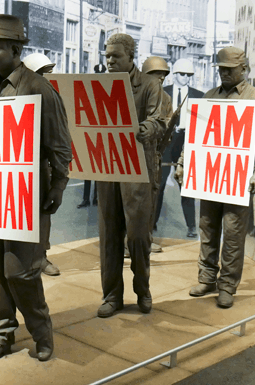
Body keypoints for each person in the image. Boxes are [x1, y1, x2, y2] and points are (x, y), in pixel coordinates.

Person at [0, 14, 72, 364]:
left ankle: (41, 332)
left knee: (21, 270)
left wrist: (59, 185)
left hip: (27, 197)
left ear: (15, 49)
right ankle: (0, 334)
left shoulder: (39, 88)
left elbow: (60, 144)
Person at [175, 46, 255, 309]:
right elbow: (195, 135)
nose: (224, 73)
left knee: (234, 232)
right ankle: (206, 277)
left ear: (243, 69)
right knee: (207, 227)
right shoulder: (210, 95)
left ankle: (227, 284)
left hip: (238, 174)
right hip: (210, 173)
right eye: (221, 69)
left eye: (229, 69)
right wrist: (183, 162)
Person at [97, 34, 166, 318]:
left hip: (138, 169)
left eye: (115, 56)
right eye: (107, 56)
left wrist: (145, 129)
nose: (110, 61)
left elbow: (158, 119)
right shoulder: (98, 85)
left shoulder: (149, 85)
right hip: (106, 168)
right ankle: (111, 295)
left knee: (138, 235)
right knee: (109, 236)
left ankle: (142, 289)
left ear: (130, 57)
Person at [22, 52, 63, 277]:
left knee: (43, 213)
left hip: (40, 162)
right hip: (19, 162)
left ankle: (41, 256)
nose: (46, 77)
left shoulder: (48, 94)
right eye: (42, 73)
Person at [154, 58, 203, 238]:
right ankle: (153, 223)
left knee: (186, 184)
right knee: (159, 184)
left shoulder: (199, 95)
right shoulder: (162, 92)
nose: (186, 78)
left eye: (189, 75)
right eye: (182, 74)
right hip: (167, 139)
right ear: (175, 75)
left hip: (186, 140)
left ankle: (191, 226)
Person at [141, 56, 173, 254]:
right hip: (135, 152)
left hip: (154, 152)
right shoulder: (137, 94)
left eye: (163, 76)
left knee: (152, 196)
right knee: (132, 199)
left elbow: (167, 122)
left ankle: (147, 237)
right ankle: (127, 239)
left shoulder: (166, 99)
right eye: (155, 75)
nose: (160, 79)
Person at [77, 63, 105, 209]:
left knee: (100, 169)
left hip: (102, 135)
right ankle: (86, 198)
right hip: (89, 134)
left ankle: (96, 198)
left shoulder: (107, 92)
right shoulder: (87, 91)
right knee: (88, 169)